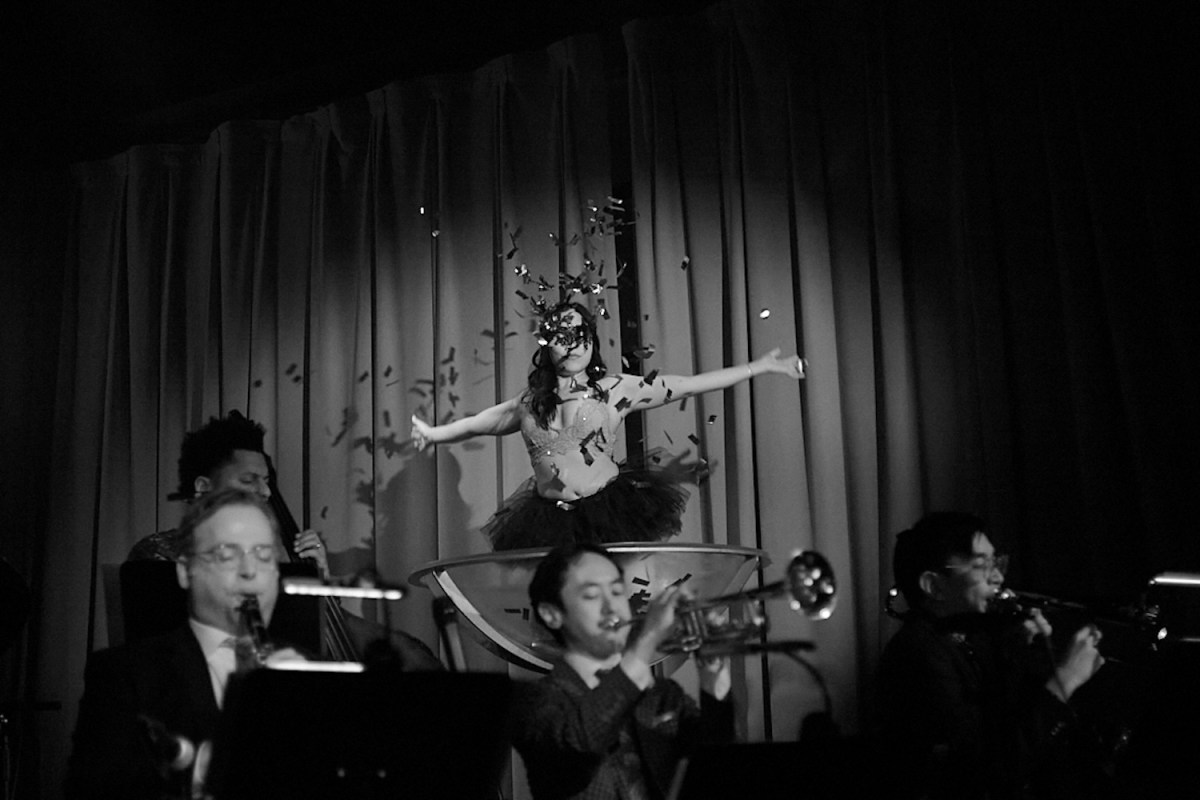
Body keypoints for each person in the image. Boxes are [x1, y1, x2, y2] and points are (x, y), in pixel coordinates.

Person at [410, 301, 805, 549]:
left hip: (607, 513)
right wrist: (432, 433)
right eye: (563, 335)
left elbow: (685, 385)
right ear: (547, 345)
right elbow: (478, 424)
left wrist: (761, 367)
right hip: (549, 519)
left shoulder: (615, 389)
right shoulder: (528, 403)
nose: (574, 343)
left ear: (592, 343)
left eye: (582, 335)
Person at [67, 488, 307, 799]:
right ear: (184, 570)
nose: (250, 572)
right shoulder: (125, 675)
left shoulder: (315, 672)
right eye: (226, 555)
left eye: (264, 555)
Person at [876, 512, 1112, 800]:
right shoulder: (915, 654)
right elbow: (991, 770)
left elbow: (1027, 733)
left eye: (996, 562)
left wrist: (1027, 658)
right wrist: (1066, 678)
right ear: (934, 586)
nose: (999, 577)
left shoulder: (981, 635)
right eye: (982, 566)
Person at [511, 542, 734, 799]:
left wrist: (713, 675)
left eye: (617, 592)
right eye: (592, 596)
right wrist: (648, 639)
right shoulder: (534, 701)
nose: (611, 607)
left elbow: (715, 772)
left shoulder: (663, 695)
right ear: (551, 614)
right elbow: (580, 742)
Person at [126, 411, 326, 573]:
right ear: (204, 488)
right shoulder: (159, 553)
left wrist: (321, 580)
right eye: (248, 480)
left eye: (266, 482)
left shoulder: (270, 555)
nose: (266, 492)